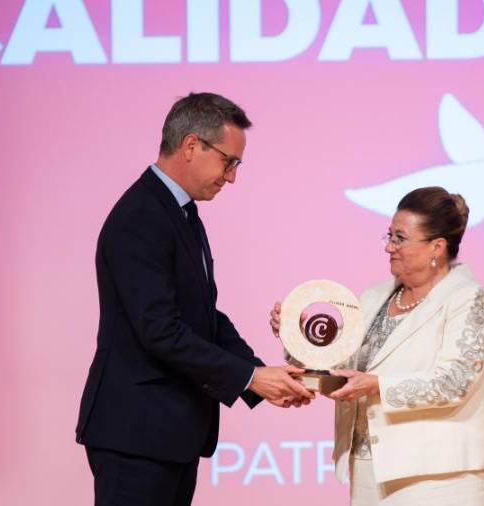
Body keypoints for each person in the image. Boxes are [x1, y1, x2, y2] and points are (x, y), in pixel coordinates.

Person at [76, 92, 314, 506]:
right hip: (136, 435)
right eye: (229, 161)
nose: (232, 177)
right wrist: (252, 378)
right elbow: (160, 330)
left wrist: (260, 378)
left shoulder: (180, 213)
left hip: (168, 434)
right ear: (191, 145)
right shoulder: (141, 216)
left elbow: (205, 316)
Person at [271, 186, 484, 505]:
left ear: (437, 247)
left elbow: (456, 381)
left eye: (400, 238)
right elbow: (337, 366)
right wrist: (297, 334)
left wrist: (376, 385)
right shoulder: (373, 298)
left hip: (439, 477)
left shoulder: (469, 298)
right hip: (369, 469)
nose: (389, 247)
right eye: (389, 236)